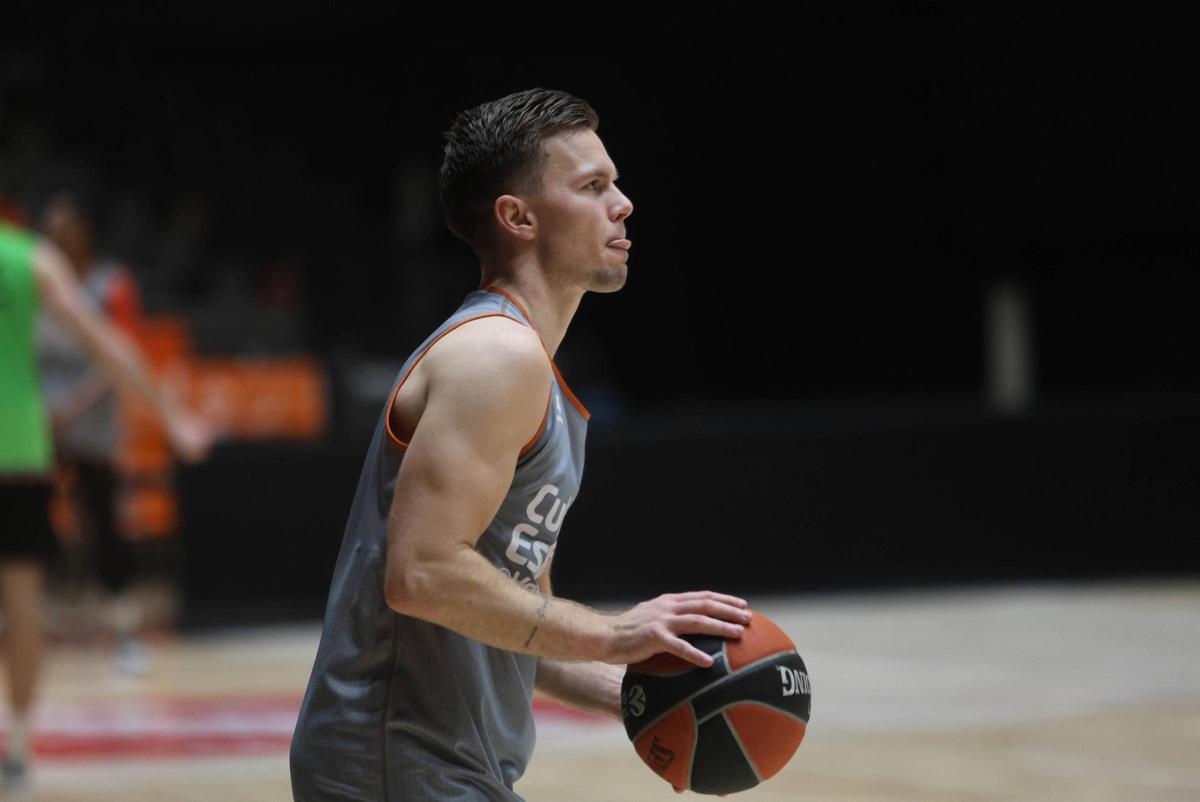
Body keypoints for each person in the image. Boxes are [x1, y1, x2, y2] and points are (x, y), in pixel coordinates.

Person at [290, 88, 752, 801]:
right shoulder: (495, 358)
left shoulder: (526, 370)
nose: (623, 203)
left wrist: (647, 694)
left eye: (616, 183)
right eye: (593, 186)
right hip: (392, 763)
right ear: (518, 216)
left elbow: (509, 617)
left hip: (442, 767)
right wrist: (615, 633)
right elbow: (422, 576)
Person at [0, 215, 213, 794]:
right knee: (23, 609)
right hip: (19, 449)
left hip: (34, 447)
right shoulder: (28, 259)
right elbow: (109, 343)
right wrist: (170, 416)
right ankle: (17, 747)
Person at [36, 193, 150, 674]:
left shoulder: (110, 284)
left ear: (84, 231)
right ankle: (31, 623)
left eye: (68, 228)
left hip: (91, 424)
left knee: (104, 524)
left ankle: (123, 630)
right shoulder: (32, 284)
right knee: (26, 523)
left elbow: (118, 359)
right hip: (37, 424)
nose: (59, 238)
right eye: (51, 229)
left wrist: (71, 408)